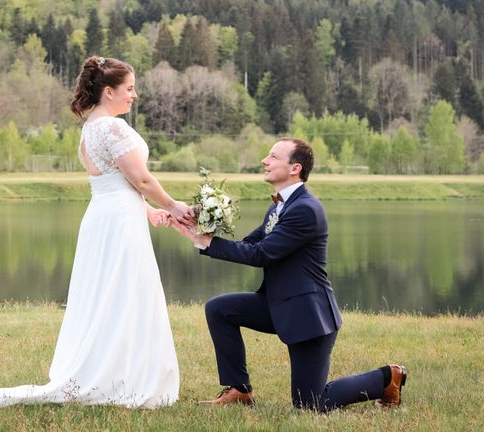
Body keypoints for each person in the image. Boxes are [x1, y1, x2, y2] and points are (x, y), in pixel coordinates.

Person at [0, 56, 194, 418]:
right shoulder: (113, 129)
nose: (135, 96)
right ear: (109, 91)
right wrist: (173, 204)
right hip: (117, 221)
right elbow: (141, 180)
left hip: (108, 216)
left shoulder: (90, 129)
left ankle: (114, 369)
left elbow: (113, 184)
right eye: (130, 89)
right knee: (124, 292)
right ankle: (121, 376)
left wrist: (149, 212)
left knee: (112, 294)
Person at [171, 138, 407, 411]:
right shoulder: (279, 206)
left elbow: (262, 254)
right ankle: (240, 390)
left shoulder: (305, 209)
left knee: (310, 403)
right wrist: (197, 229)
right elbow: (250, 245)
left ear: (295, 168)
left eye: (273, 156)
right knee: (219, 309)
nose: (264, 161)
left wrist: (207, 243)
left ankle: (388, 377)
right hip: (279, 304)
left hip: (308, 316)